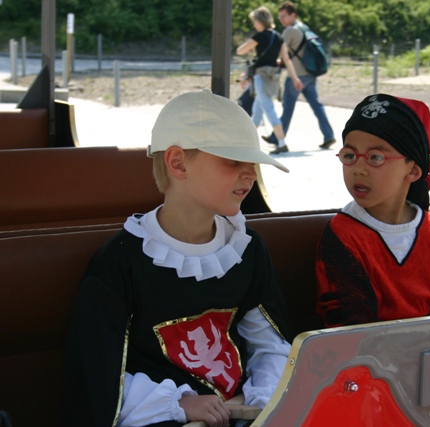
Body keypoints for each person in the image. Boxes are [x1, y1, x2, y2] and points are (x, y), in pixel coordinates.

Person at [63, 90, 293, 427]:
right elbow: (98, 372)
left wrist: (257, 397)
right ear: (178, 163)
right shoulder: (120, 264)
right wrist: (180, 404)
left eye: (252, 163)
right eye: (233, 162)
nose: (250, 175)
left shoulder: (247, 250)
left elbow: (269, 344)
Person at [315, 93, 430, 328]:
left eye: (375, 157)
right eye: (350, 155)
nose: (358, 169)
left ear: (412, 171)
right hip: (367, 359)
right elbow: (351, 328)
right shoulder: (342, 235)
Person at [263, 2, 336, 150]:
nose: (281, 19)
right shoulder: (304, 27)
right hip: (310, 74)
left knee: (288, 107)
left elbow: (279, 51)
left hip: (296, 76)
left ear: (292, 15)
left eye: (284, 16)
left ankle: (277, 138)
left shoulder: (289, 31)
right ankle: (329, 135)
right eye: (280, 16)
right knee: (317, 106)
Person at [236, 5, 302, 155]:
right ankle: (249, 142)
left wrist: (252, 47)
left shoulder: (260, 36)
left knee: (268, 109)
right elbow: (287, 60)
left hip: (261, 78)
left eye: (254, 21)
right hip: (273, 79)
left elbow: (240, 51)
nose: (254, 24)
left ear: (260, 21)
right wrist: (295, 78)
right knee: (257, 112)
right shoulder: (279, 37)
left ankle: (282, 142)